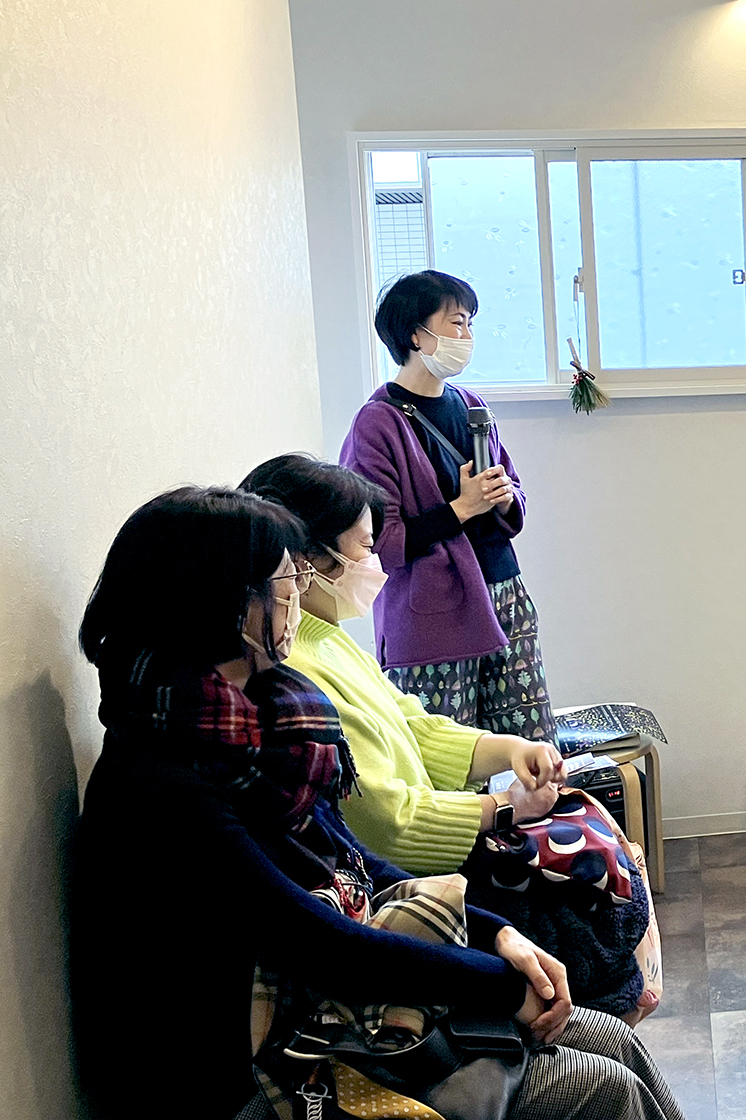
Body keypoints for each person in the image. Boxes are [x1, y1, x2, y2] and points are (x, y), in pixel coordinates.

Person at [71, 487, 683, 1120]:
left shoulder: (264, 723)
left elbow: (354, 864)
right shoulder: (160, 783)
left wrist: (498, 936)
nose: (296, 596)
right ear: (226, 605)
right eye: (284, 583)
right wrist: (500, 981)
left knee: (611, 1038)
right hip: (254, 1064)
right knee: (600, 1086)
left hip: (323, 1000)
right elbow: (320, 944)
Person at [240, 454, 657, 1023]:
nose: (376, 563)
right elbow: (385, 824)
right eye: (365, 548)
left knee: (601, 866)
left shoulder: (328, 639)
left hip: (429, 865)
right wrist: (504, 809)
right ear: (308, 561)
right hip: (419, 875)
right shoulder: (297, 678)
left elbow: (413, 724)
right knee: (597, 918)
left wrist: (510, 750)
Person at [341, 269, 560, 746]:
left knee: (528, 748)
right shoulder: (377, 424)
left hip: (504, 591)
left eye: (470, 324)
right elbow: (379, 541)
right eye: (457, 322)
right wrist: (461, 508)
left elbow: (514, 493)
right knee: (449, 754)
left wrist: (504, 498)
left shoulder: (471, 405)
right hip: (434, 617)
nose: (467, 336)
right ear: (416, 334)